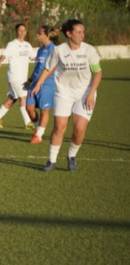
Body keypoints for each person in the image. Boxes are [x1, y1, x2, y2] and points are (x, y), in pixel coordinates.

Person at [32, 19, 102, 172]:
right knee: (59, 127)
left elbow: (97, 73)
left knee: (79, 129)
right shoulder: (59, 50)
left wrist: (91, 94)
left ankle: (71, 156)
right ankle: (51, 160)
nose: (82, 35)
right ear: (69, 34)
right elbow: (48, 67)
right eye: (78, 32)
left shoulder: (89, 50)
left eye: (83, 32)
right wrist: (38, 83)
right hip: (63, 92)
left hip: (85, 93)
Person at [0, 23, 34, 129]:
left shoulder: (28, 45)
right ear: (16, 32)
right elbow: (4, 54)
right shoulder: (12, 44)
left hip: (22, 77)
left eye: (24, 30)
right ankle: (28, 122)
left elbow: (33, 57)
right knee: (23, 98)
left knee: (11, 99)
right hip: (15, 76)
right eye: (20, 30)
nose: (22, 32)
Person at [25, 26, 57, 144]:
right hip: (34, 83)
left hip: (47, 84)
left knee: (44, 110)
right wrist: (30, 80)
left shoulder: (53, 49)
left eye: (39, 33)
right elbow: (38, 68)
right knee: (29, 108)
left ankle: (38, 135)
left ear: (47, 35)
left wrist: (41, 82)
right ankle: (38, 128)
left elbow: (52, 68)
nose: (37, 35)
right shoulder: (39, 50)